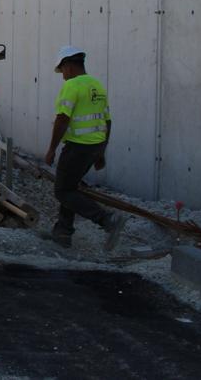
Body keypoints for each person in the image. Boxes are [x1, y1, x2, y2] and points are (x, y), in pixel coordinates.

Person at [43, 46, 126, 249]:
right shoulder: (97, 86)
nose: (62, 75)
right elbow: (107, 121)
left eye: (62, 70)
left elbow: (62, 119)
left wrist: (52, 148)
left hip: (77, 147)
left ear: (68, 66)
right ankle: (63, 232)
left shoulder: (72, 86)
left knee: (62, 191)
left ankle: (107, 219)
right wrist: (101, 152)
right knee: (70, 186)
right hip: (94, 146)